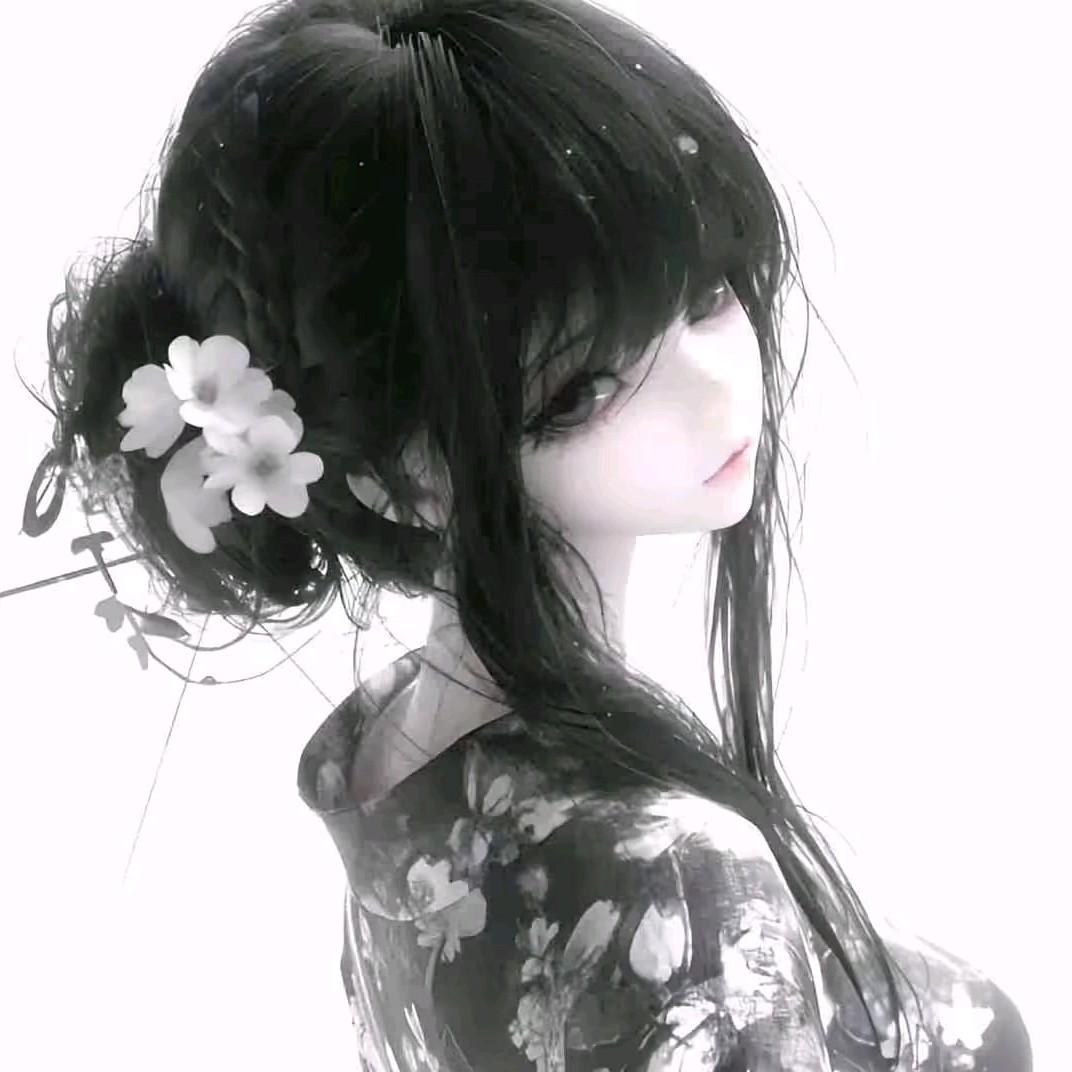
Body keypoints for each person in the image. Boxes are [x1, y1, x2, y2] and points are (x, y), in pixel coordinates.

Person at [22, 1, 1032, 1069]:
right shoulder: (676, 887)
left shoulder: (386, 753)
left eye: (705, 294)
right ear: (393, 475)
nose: (715, 384)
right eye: (583, 388)